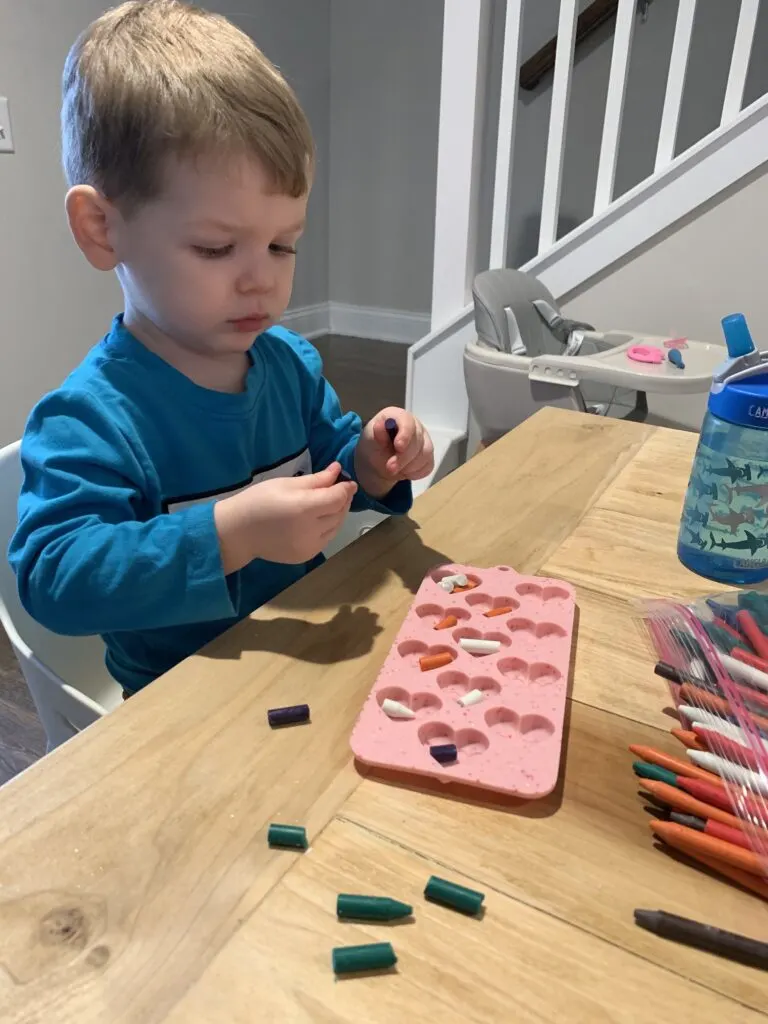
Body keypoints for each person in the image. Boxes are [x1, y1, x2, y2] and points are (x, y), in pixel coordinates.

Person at [8, 0, 434, 695]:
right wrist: (232, 533)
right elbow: (55, 577)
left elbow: (334, 466)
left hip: (309, 654)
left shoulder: (289, 365)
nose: (261, 277)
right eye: (215, 247)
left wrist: (373, 462)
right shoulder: (89, 419)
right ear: (102, 230)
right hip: (181, 698)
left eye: (282, 243)